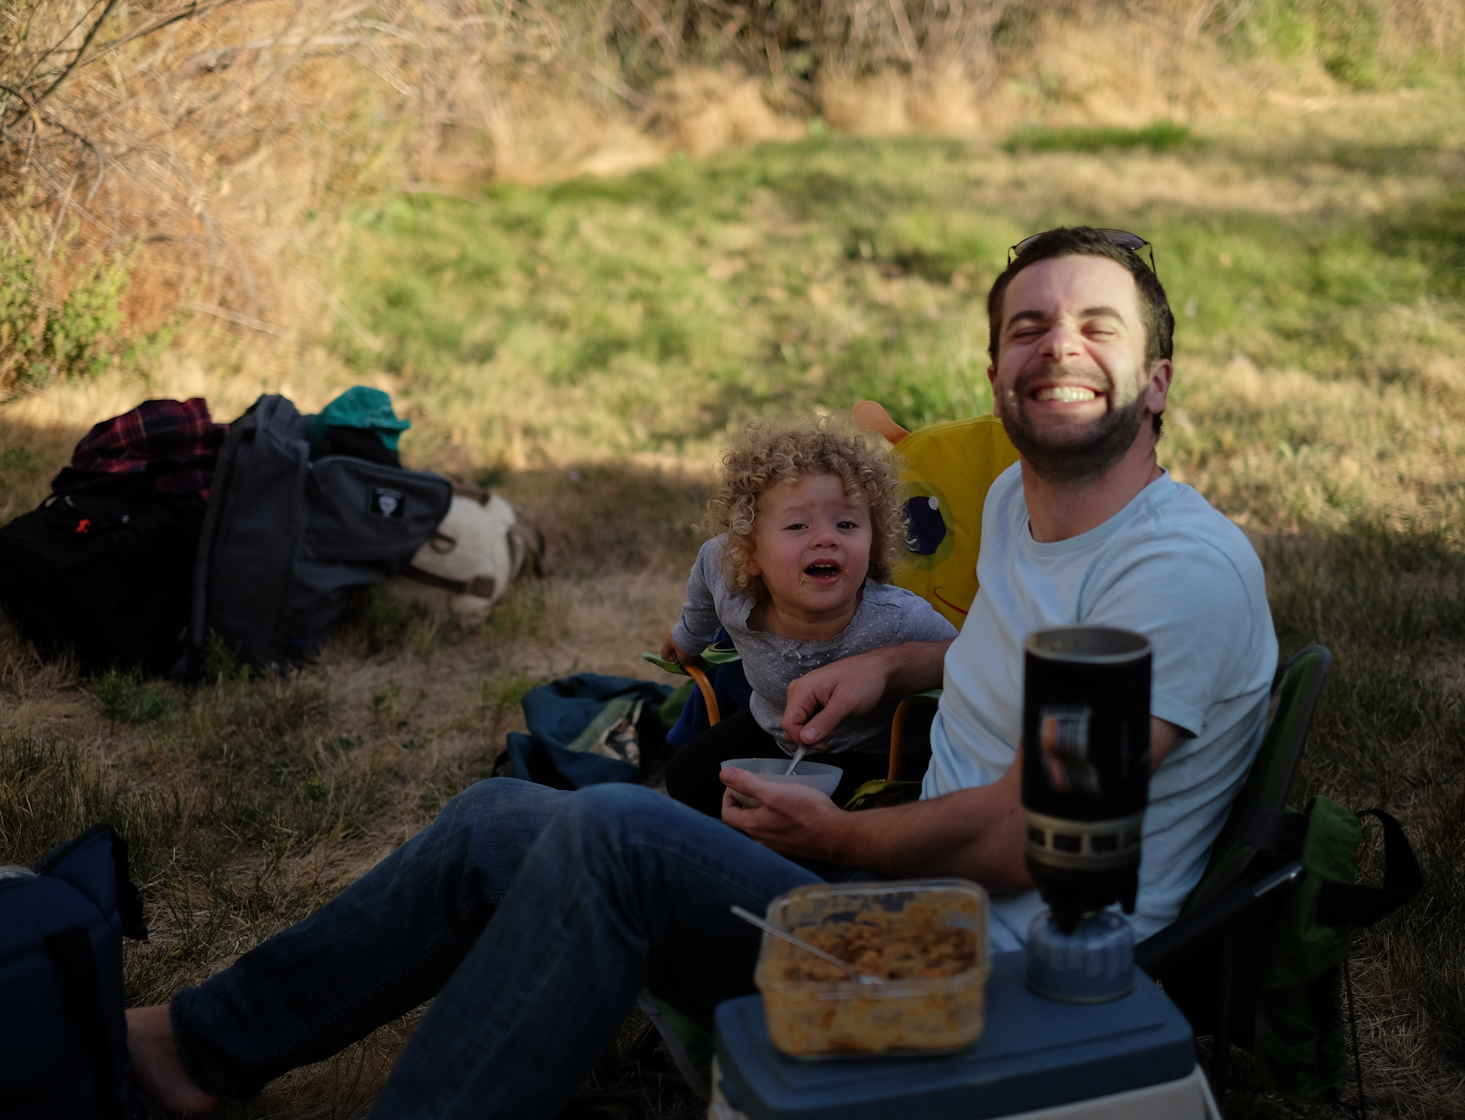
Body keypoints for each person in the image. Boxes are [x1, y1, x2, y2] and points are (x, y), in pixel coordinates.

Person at [127, 227, 1277, 1120]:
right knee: (494, 820)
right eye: (1028, 327)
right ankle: (193, 1047)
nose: (1057, 347)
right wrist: (894, 667)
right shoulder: (1016, 506)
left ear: (1158, 380)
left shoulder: (1178, 573)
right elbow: (1004, 663)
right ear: (994, 371)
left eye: (1096, 326)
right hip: (915, 907)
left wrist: (836, 843)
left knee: (614, 839)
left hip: (998, 970)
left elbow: (1032, 837)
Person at [660, 420, 956, 816]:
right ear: (750, 553)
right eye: (797, 525)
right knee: (685, 776)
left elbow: (964, 657)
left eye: (847, 524)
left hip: (876, 756)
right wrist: (687, 637)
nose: (825, 538)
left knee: (834, 821)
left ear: (876, 542)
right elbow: (704, 587)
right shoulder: (725, 576)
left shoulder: (897, 620)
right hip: (770, 732)